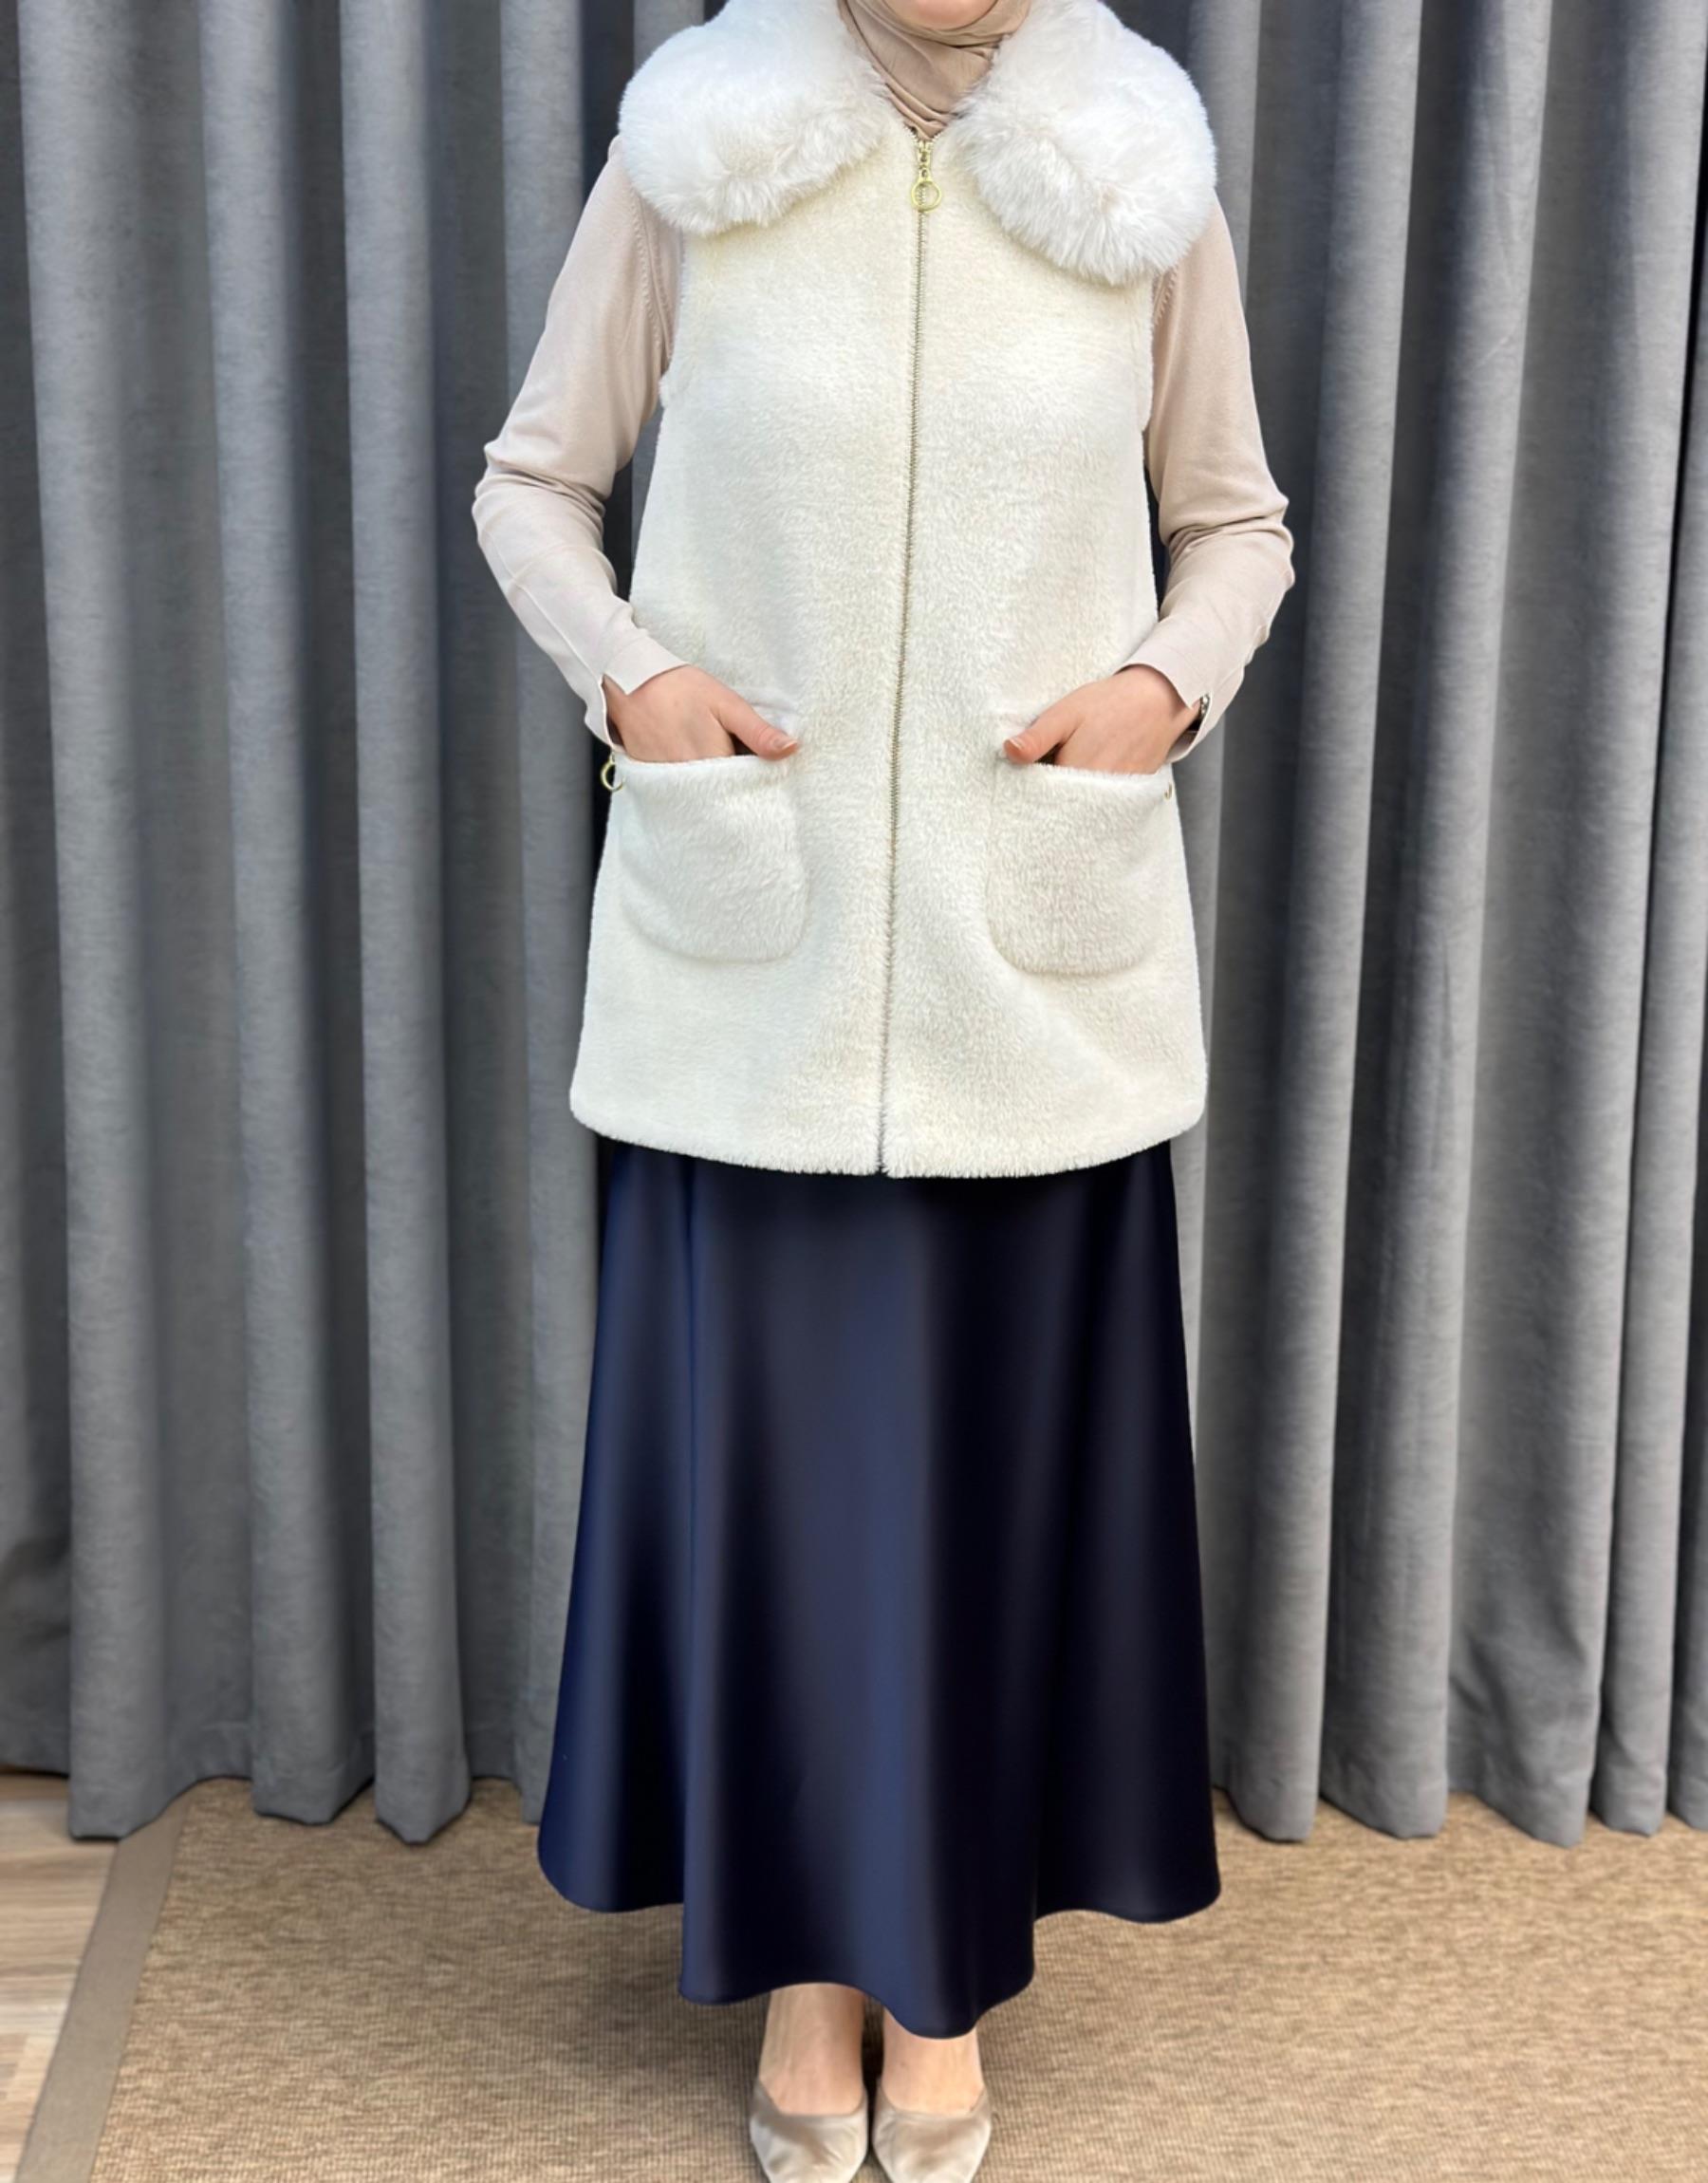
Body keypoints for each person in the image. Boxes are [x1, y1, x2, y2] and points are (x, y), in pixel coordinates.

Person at [473, 0, 1293, 2175]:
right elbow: (533, 485)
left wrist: (1160, 687)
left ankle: (940, 1991)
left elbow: (1238, 525)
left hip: (1031, 977)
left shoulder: (1136, 173)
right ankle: (810, 1982)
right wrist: (638, 680)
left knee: (979, 1520)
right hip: (763, 970)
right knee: (794, 1517)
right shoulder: (698, 149)